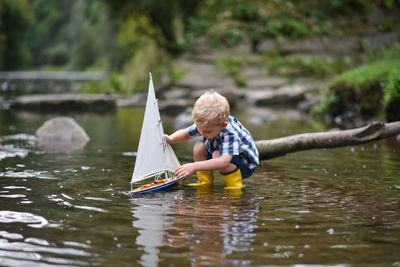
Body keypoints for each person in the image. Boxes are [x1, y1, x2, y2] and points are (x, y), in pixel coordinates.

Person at [164, 90, 259, 189]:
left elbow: (223, 161)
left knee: (217, 154)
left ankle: (235, 185)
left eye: (207, 132)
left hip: (245, 164)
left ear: (223, 126)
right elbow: (185, 134)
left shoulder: (230, 133)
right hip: (220, 153)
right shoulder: (205, 124)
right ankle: (205, 182)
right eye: (199, 129)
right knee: (199, 147)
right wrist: (170, 138)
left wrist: (194, 166)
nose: (202, 134)